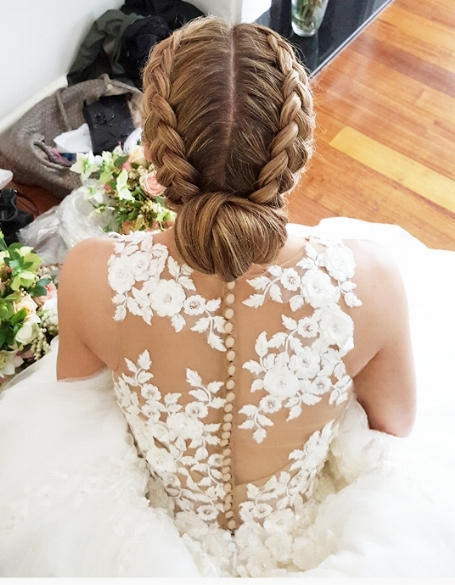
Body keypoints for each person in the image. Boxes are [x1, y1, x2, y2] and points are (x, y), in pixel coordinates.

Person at [0, 17, 454, 578]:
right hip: (317, 539)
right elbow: (395, 426)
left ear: (155, 154)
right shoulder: (373, 278)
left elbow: (79, 412)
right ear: (297, 151)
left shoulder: (91, 273)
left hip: (145, 547)